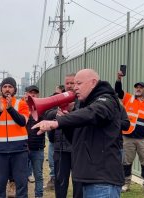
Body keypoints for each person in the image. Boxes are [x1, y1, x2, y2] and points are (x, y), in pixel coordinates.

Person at [33, 69, 124, 197]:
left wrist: (57, 122)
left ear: (93, 82)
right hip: (91, 179)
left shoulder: (106, 100)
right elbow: (77, 140)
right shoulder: (86, 105)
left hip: (103, 182)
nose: (74, 88)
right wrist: (66, 121)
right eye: (74, 84)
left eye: (79, 83)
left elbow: (94, 112)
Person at [0, 77, 30, 198]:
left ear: (14, 89)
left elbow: (22, 122)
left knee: (21, 185)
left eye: (10, 86)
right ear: (0, 90)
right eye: (4, 87)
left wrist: (10, 109)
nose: (7, 89)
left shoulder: (22, 104)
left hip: (19, 150)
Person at [115, 71, 144, 195]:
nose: (138, 89)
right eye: (137, 87)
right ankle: (125, 183)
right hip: (128, 137)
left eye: (141, 87)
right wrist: (119, 78)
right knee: (126, 162)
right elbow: (118, 91)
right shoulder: (128, 98)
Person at [44, 73, 83, 198]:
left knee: (79, 184)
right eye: (68, 83)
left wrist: (71, 112)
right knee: (60, 184)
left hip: (77, 149)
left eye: (73, 83)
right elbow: (46, 114)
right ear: (64, 84)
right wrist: (58, 112)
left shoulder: (82, 98)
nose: (70, 86)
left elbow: (85, 115)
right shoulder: (58, 98)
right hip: (60, 148)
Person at [25, 85, 45, 198]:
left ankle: (39, 196)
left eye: (35, 93)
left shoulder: (42, 108)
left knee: (38, 175)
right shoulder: (22, 108)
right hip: (23, 148)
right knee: (22, 175)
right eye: (30, 92)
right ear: (26, 94)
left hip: (38, 149)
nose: (33, 94)